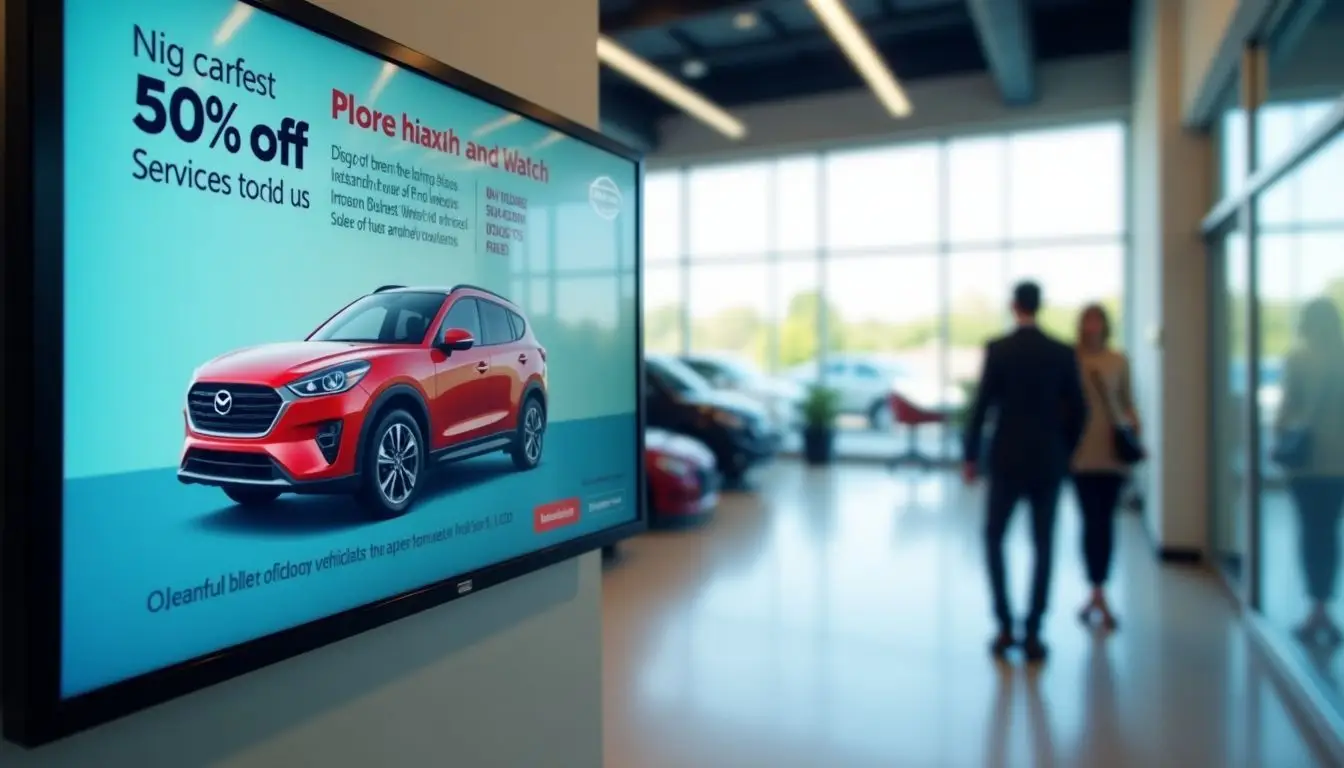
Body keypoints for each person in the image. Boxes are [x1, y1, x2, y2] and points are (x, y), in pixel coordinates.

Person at [962, 281, 1088, 662]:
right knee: (1043, 544)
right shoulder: (1062, 352)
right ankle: (1034, 630)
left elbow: (982, 407)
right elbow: (1080, 410)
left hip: (1006, 460)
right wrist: (1064, 449)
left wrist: (971, 456)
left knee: (994, 539)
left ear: (1014, 306)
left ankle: (1003, 625)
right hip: (1048, 460)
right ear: (1040, 306)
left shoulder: (999, 350)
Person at [1275, 297, 1344, 648]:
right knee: (1328, 533)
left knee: (1312, 533)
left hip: (1308, 463)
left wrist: (1283, 437)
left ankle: (1316, 606)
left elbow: (1286, 411)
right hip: (1335, 464)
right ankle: (1322, 604)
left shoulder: (1298, 359)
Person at [1070, 303, 1139, 632]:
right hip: (1081, 453)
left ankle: (1101, 589)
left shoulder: (1118, 360)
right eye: (1088, 320)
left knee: (1106, 523)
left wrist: (1135, 434)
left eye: (1098, 320)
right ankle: (1093, 587)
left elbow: (1128, 403)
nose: (1093, 326)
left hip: (1111, 453)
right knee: (1088, 521)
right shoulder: (1071, 359)